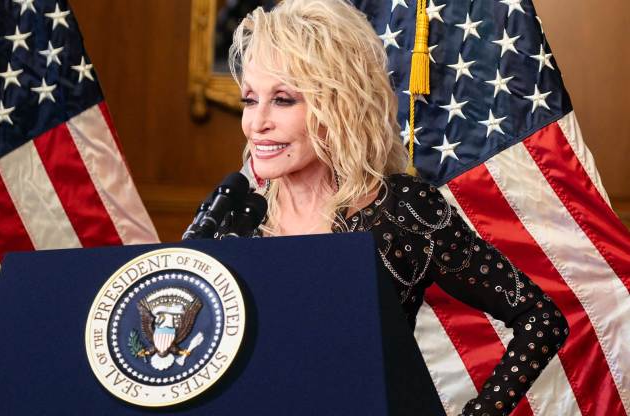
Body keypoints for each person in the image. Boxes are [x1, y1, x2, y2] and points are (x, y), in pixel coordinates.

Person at [227, 0, 569, 415]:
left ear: (339, 104)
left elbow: (541, 320)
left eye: (283, 100)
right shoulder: (234, 214)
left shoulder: (402, 209)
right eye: (250, 100)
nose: (256, 123)